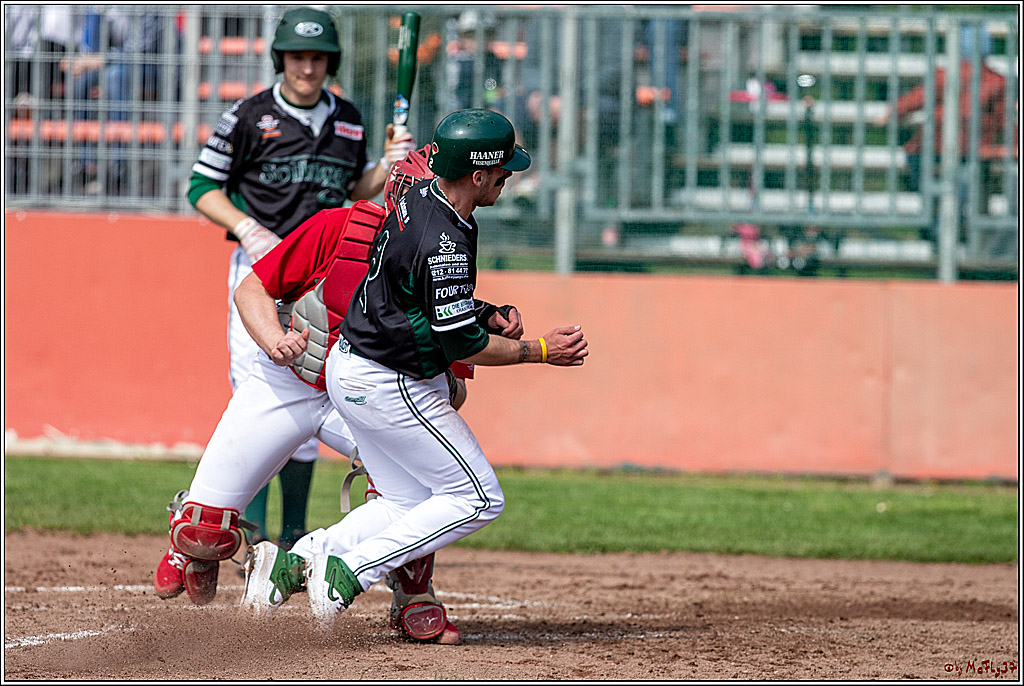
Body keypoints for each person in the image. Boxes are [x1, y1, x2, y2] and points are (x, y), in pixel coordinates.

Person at [238, 108, 589, 630]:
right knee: (478, 498)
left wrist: (483, 311)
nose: (507, 178)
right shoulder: (443, 238)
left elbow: (417, 293)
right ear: (477, 175)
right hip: (388, 380)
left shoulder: (421, 197)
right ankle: (348, 572)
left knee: (406, 501)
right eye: (501, 170)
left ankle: (294, 564)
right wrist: (539, 350)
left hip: (354, 367)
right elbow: (462, 344)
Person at [154, 146, 467, 644]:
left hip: (366, 398)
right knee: (205, 530)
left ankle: (413, 591)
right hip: (290, 380)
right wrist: (273, 341)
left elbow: (453, 360)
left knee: (423, 487)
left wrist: (439, 386)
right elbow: (252, 290)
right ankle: (189, 534)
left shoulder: (446, 250)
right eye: (436, 194)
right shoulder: (338, 227)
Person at [183, 6, 414, 553]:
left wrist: (387, 164)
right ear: (280, 59)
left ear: (330, 62)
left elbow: (357, 191)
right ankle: (249, 526)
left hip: (325, 274)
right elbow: (201, 187)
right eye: (297, 57)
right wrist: (246, 228)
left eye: (317, 58)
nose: (307, 67)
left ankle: (292, 529)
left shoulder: (348, 118)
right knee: (259, 390)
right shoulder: (249, 115)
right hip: (264, 271)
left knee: (315, 383)